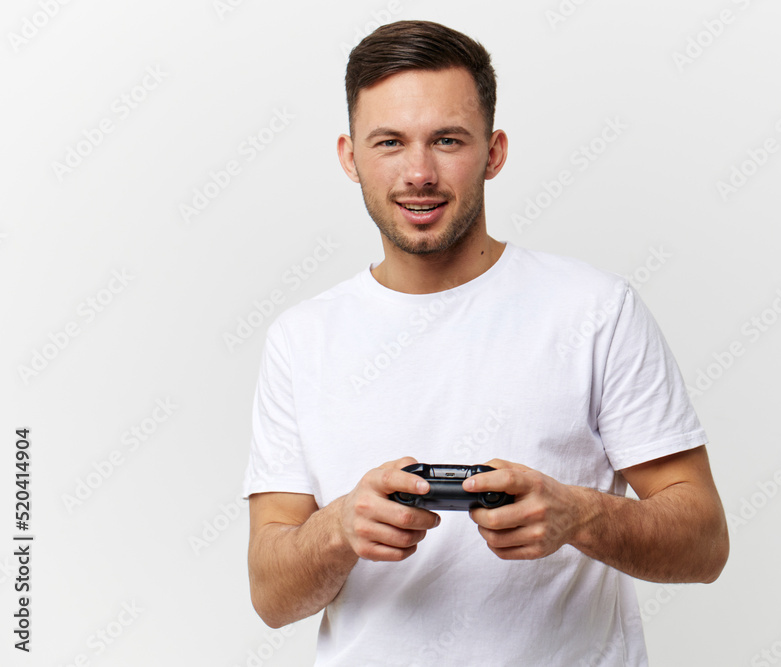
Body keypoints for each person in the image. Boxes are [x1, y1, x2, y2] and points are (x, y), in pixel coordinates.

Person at [243, 19, 728, 666]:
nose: (419, 172)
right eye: (389, 141)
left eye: (448, 140)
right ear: (349, 155)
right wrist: (338, 529)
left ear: (494, 152)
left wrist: (576, 514)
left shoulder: (595, 310)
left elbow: (704, 542)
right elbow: (271, 595)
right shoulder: (301, 339)